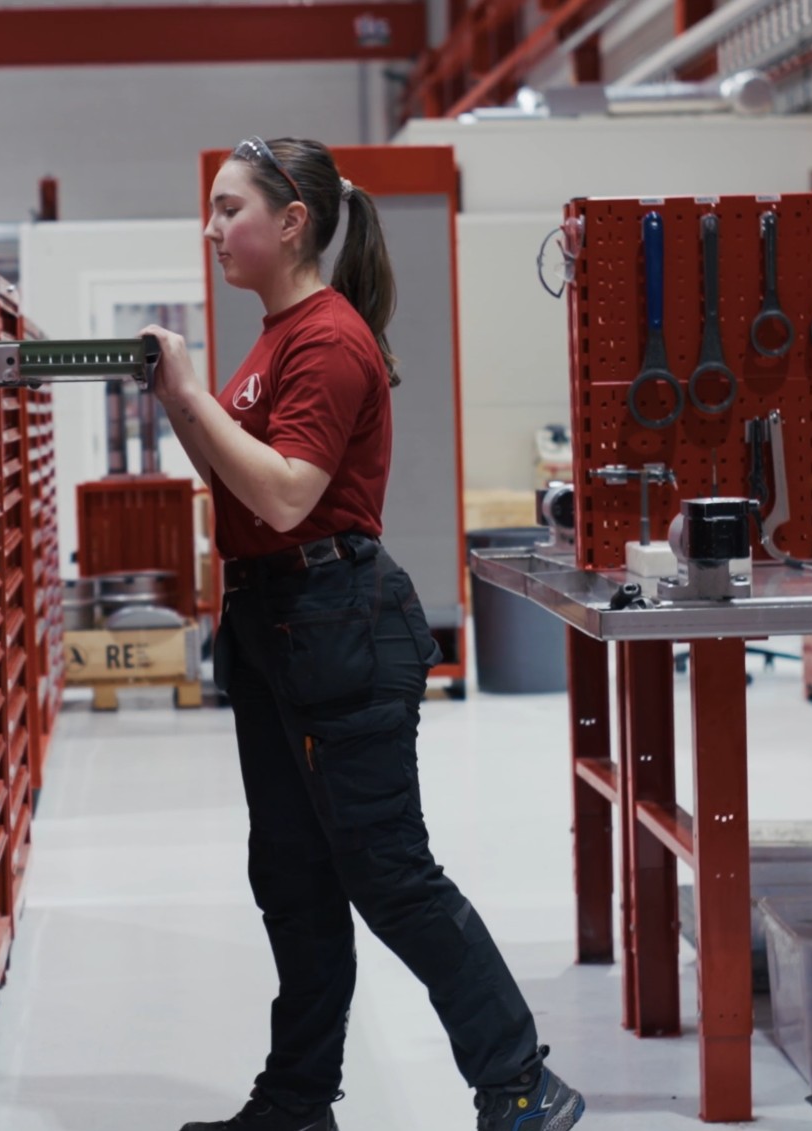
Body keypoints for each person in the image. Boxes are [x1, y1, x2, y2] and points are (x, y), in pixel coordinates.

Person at [138, 137, 587, 1131]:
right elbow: (237, 480)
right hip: (276, 622)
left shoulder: (327, 341)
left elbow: (286, 497)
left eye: (229, 209)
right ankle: (297, 1102)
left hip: (336, 621)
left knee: (385, 871)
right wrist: (181, 402)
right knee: (291, 877)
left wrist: (192, 394)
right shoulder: (276, 338)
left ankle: (521, 1081)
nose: (212, 229)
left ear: (292, 221)